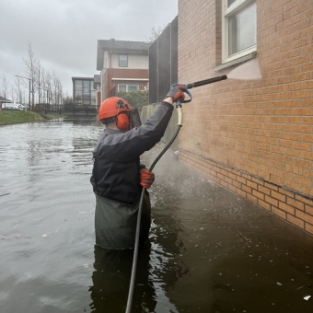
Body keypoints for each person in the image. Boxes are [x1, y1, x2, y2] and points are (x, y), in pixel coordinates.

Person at [90, 85, 186, 250]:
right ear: (122, 118)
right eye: (128, 116)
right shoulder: (111, 143)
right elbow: (149, 132)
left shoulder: (114, 142)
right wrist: (168, 100)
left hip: (128, 222)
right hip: (119, 229)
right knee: (122, 270)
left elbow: (122, 164)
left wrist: (140, 171)